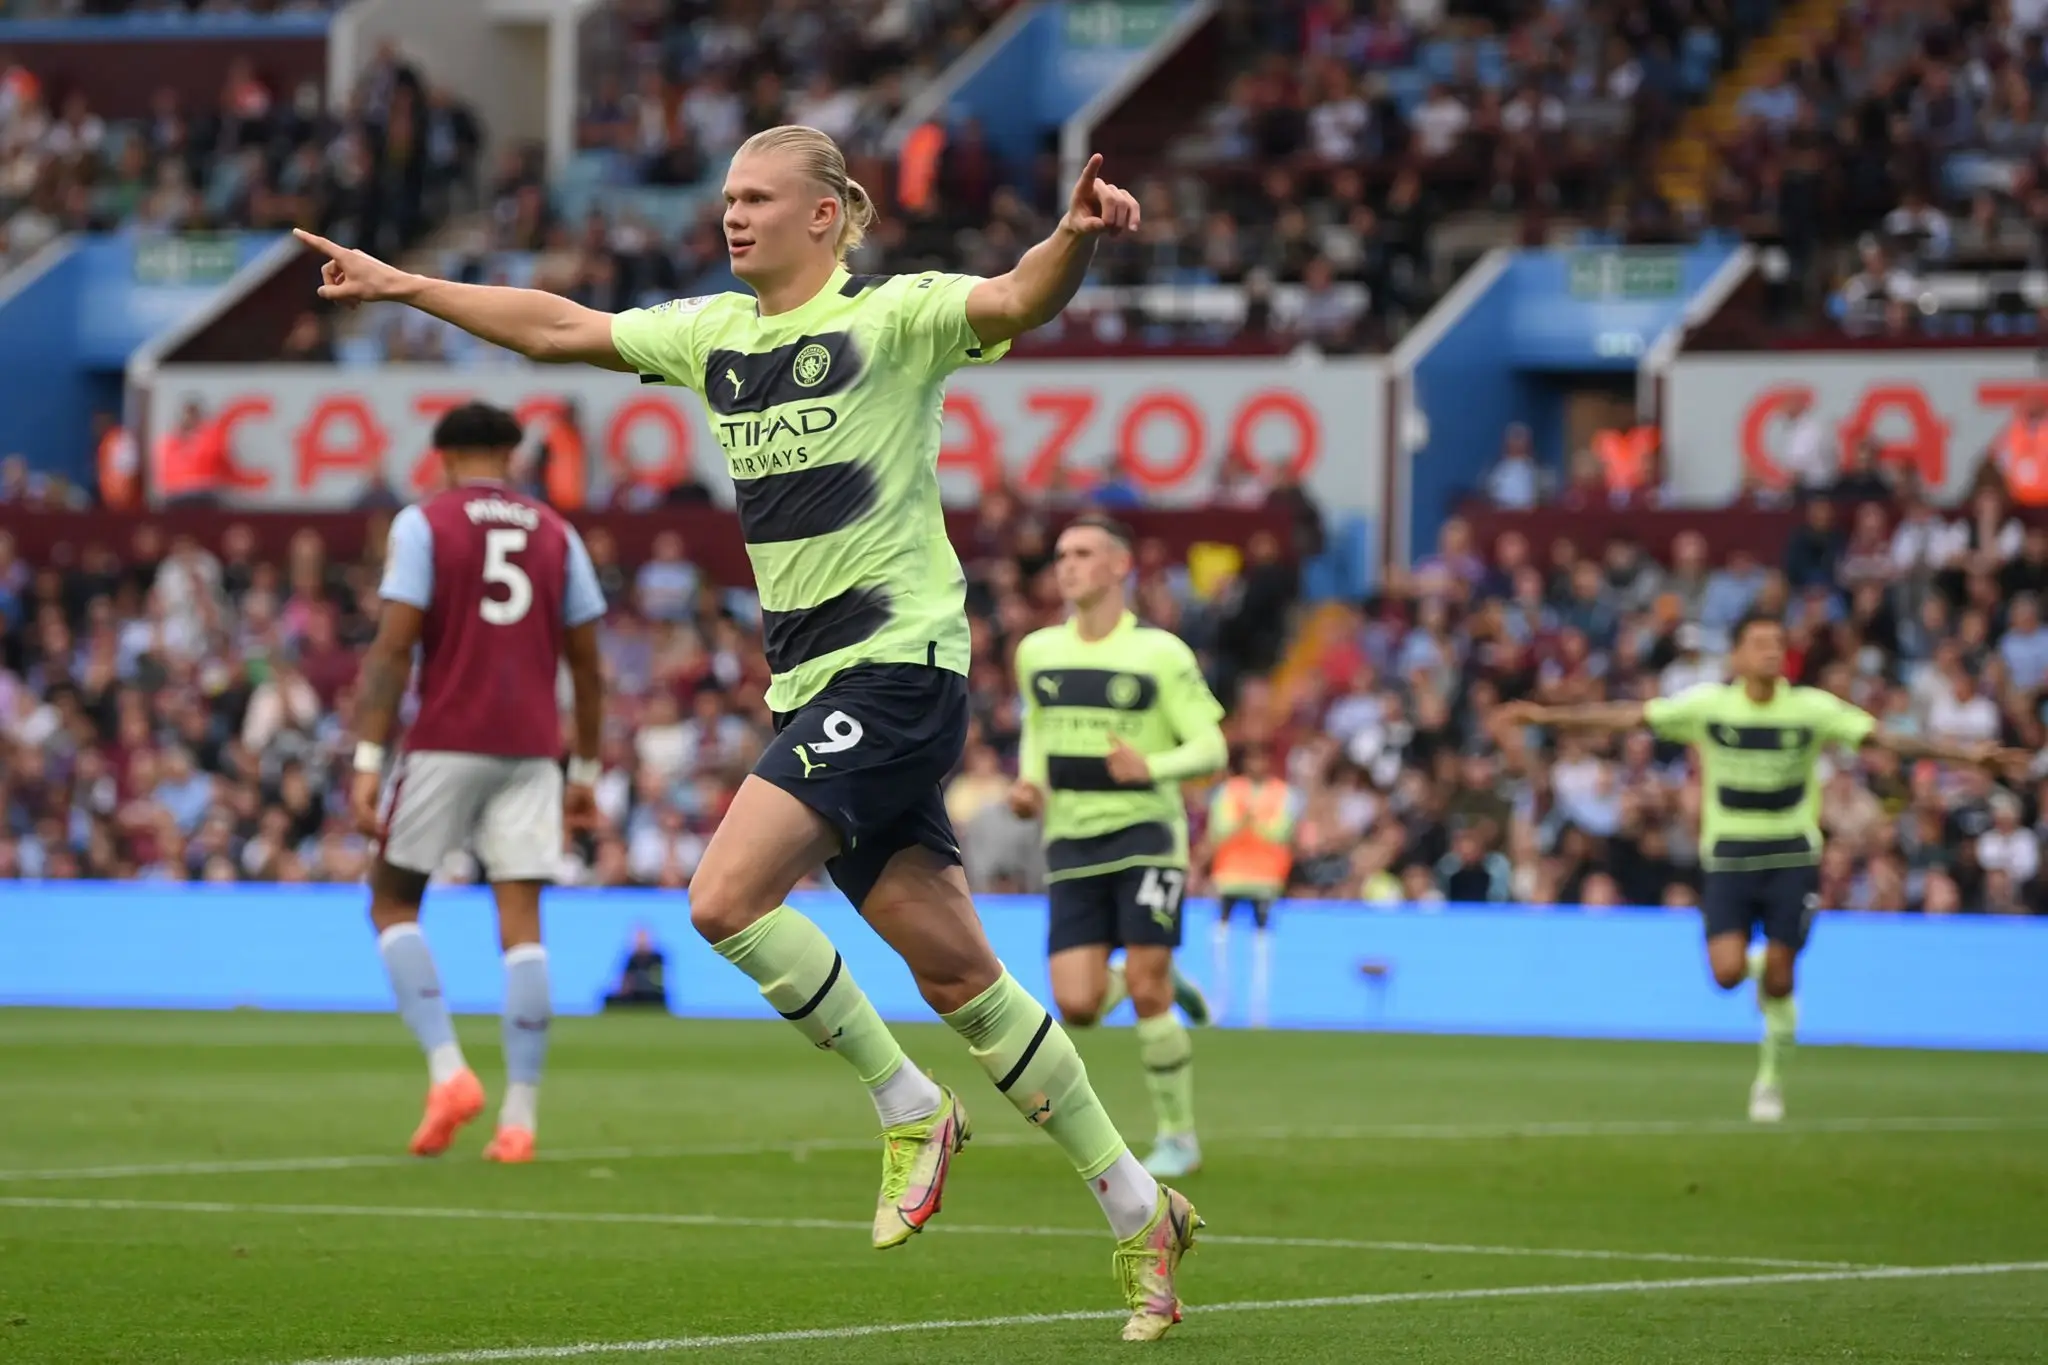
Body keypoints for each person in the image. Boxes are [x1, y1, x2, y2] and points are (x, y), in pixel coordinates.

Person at [295, 128, 1201, 1339]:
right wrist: (406, 284)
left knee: (722, 899)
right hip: (812, 688)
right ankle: (1140, 1211)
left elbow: (1017, 294)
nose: (731, 217)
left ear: (825, 215)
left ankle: (906, 1105)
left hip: (896, 674)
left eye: (756, 199)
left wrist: (1072, 240)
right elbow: (558, 325)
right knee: (962, 979)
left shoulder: (897, 320)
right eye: (725, 198)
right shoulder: (715, 336)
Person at [1501, 611, 2025, 1123]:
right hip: (1729, 857)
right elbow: (1627, 716)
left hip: (1792, 857)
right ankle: (1767, 971)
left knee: (1779, 979)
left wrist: (1968, 757)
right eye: (1760, 643)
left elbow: (1887, 740)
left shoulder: (1811, 710)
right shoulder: (1710, 707)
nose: (1771, 651)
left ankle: (1768, 1081)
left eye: (1778, 643)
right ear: (1737, 655)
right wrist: (1547, 719)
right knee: (1727, 974)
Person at [350, 402, 607, 1164]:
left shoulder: (424, 525)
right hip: (531, 749)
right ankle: (520, 1118)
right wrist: (583, 771)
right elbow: (589, 667)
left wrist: (368, 760)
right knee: (522, 921)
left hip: (444, 739)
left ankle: (448, 1069)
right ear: (511, 453)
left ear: (442, 456)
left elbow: (394, 649)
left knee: (393, 899)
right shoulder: (558, 534)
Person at [1007, 515, 1226, 1179]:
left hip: (1146, 836)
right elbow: (1038, 729)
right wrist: (1029, 782)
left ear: (1118, 566)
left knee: (1146, 986)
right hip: (1071, 837)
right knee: (1075, 1003)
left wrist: (1152, 766)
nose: (1066, 564)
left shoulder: (1160, 654)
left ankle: (1178, 1135)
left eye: (1083, 552)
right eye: (1061, 553)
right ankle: (1153, 975)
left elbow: (1213, 748)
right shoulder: (1037, 651)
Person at [1204, 741, 1298, 1028]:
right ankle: (1221, 1003)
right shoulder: (1229, 791)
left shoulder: (1282, 793)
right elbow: (1219, 830)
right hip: (1230, 876)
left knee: (1261, 942)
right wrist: (1249, 821)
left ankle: (1259, 1008)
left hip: (1266, 878)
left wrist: (1247, 820)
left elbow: (1281, 832)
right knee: (1222, 939)